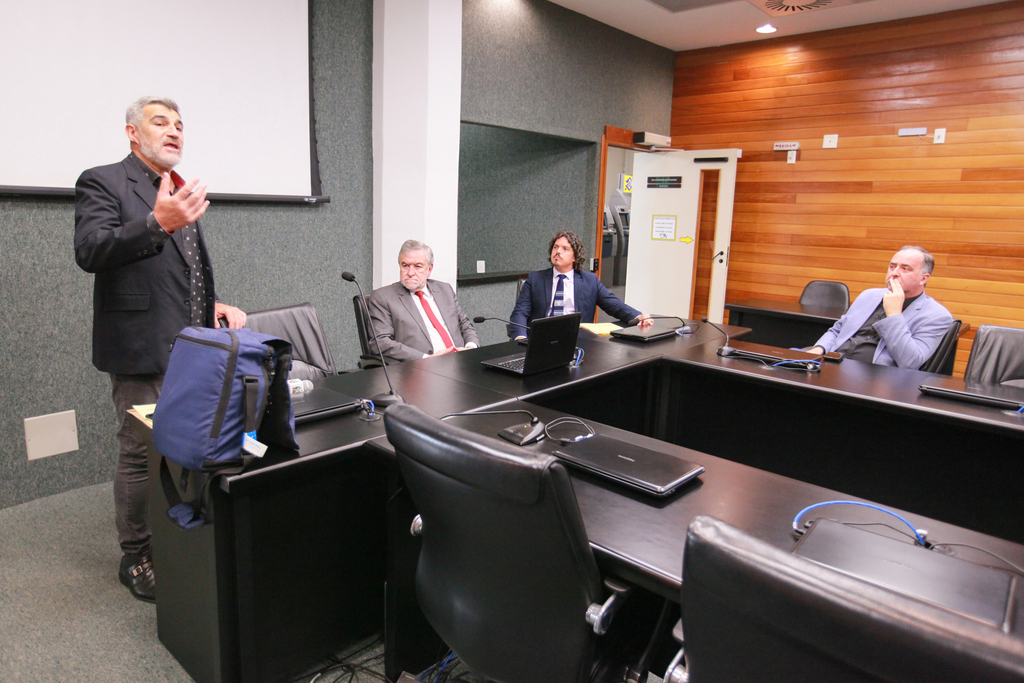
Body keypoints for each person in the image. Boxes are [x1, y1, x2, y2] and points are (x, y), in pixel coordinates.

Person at [74, 97, 246, 602]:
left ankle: (179, 532)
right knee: (140, 453)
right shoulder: (103, 181)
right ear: (132, 133)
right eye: (160, 122)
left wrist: (213, 302)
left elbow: (181, 271)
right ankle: (137, 555)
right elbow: (91, 250)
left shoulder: (178, 189)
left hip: (193, 346)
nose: (174, 131)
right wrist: (157, 222)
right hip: (140, 347)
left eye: (179, 125)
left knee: (187, 445)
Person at [807, 246, 952, 369]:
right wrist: (819, 349)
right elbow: (838, 330)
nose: (894, 273)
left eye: (905, 269)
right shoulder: (868, 295)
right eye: (892, 266)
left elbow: (911, 362)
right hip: (832, 364)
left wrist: (894, 315)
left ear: (924, 278)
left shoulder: (937, 316)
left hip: (877, 379)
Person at [509, 230, 652, 338]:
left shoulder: (590, 281)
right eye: (555, 247)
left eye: (565, 249)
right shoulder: (535, 279)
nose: (558, 252)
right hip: (541, 339)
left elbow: (614, 306)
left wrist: (638, 316)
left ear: (575, 257)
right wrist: (521, 338)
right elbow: (520, 313)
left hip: (577, 341)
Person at [367, 240, 479, 363]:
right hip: (420, 370)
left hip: (460, 363)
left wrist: (470, 348)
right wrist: (426, 359)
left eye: (418, 266)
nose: (410, 273)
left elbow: (465, 325)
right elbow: (380, 342)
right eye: (405, 266)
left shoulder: (445, 290)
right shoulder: (383, 297)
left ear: (429, 269)